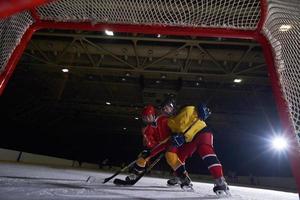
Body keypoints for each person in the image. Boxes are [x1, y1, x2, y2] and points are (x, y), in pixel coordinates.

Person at [165, 103, 229, 195]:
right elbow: (176, 133)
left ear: (172, 106)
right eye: (163, 109)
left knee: (206, 151)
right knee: (179, 156)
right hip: (190, 139)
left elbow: (203, 108)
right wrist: (176, 137)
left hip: (202, 131)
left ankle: (220, 181)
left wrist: (202, 107)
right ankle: (181, 177)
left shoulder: (188, 108)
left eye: (166, 107)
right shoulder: (170, 122)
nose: (165, 110)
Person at [125, 103, 172, 181]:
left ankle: (181, 177)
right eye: (144, 117)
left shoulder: (164, 119)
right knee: (143, 156)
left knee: (173, 158)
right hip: (158, 145)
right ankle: (136, 173)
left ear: (153, 115)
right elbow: (149, 140)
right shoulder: (146, 128)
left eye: (149, 117)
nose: (146, 119)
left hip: (171, 143)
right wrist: (149, 148)